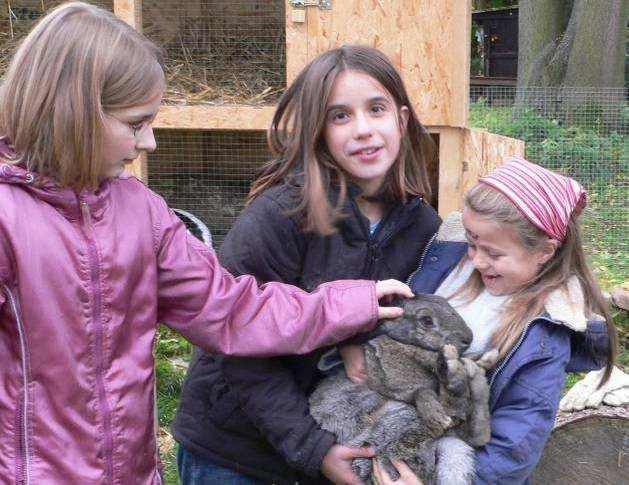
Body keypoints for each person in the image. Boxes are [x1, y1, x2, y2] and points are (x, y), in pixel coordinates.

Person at [0, 5, 414, 484]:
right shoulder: (9, 218)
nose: (150, 141)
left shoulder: (141, 211)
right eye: (136, 123)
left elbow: (229, 308)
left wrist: (348, 304)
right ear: (75, 113)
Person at [172, 45, 442, 484]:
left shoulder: (421, 225)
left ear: (403, 119)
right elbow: (235, 342)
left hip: (332, 437)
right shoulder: (283, 213)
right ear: (318, 131)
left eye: (376, 109)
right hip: (236, 448)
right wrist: (313, 448)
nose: (363, 130)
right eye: (340, 116)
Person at [340, 157, 617, 484]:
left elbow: (513, 449)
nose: (477, 260)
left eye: (494, 254)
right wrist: (352, 344)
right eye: (472, 243)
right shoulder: (447, 264)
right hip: (380, 424)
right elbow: (388, 314)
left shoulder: (545, 337)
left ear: (545, 251)